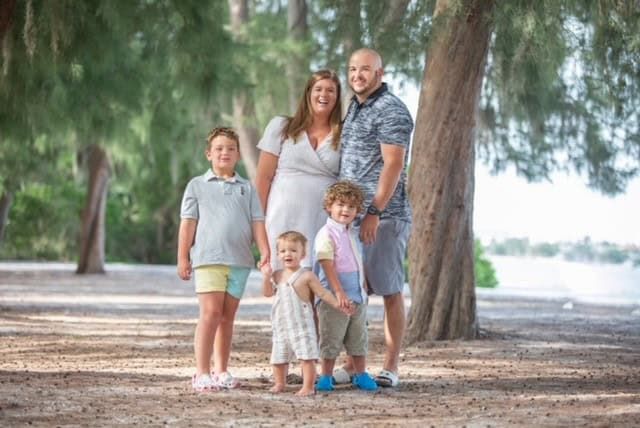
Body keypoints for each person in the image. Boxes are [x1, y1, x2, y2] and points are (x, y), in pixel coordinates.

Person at [336, 48, 414, 388]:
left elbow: (393, 163)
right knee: (354, 292)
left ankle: (390, 367)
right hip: (350, 219)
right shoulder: (355, 106)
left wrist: (374, 212)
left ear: (379, 73)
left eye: (365, 70)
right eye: (353, 69)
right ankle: (354, 365)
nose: (357, 75)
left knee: (390, 291)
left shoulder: (392, 109)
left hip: (384, 218)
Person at [177, 127, 270, 392]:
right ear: (209, 154)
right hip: (208, 259)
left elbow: (258, 222)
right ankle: (201, 372)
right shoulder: (196, 185)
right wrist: (183, 257)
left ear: (238, 154)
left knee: (227, 318)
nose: (224, 153)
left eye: (230, 148)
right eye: (219, 148)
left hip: (239, 261)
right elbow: (187, 224)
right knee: (211, 314)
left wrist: (264, 252)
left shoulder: (248, 188)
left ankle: (221, 371)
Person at [255, 69, 342, 270]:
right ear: (308, 93)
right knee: (282, 281)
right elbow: (263, 178)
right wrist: (257, 224)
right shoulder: (282, 126)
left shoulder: (344, 134)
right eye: (318, 89)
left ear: (337, 97)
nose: (324, 95)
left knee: (316, 282)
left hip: (321, 219)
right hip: (282, 215)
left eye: (331, 90)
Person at [260, 231, 353, 397]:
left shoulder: (307, 276)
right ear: (278, 254)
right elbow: (267, 293)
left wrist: (339, 304)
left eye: (293, 250)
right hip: (282, 327)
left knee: (307, 358)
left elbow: (323, 294)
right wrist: (266, 277)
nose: (288, 254)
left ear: (302, 254)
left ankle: (308, 386)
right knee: (278, 358)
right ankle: (280, 383)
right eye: (283, 251)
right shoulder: (277, 275)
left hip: (302, 327)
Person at [314, 181, 378, 392]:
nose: (345, 210)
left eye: (351, 207)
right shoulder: (326, 234)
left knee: (358, 338)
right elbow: (327, 264)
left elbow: (358, 260)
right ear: (329, 206)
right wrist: (338, 293)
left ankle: (360, 374)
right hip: (335, 298)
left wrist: (364, 284)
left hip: (357, 297)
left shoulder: (351, 232)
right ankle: (325, 376)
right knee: (331, 338)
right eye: (340, 204)